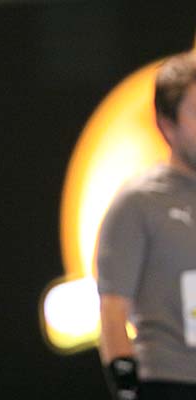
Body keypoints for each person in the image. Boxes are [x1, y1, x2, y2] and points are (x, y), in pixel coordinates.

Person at [97, 50, 196, 400]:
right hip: (170, 385)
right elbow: (113, 312)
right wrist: (127, 391)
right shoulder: (138, 203)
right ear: (167, 125)